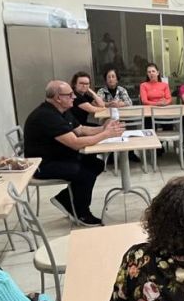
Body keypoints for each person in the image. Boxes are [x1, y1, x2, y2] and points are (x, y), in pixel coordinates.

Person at [24, 80, 124, 226]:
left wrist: (104, 128)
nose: (74, 97)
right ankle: (82, 212)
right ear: (58, 98)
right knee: (85, 173)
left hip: (59, 156)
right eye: (70, 95)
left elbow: (81, 130)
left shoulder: (62, 110)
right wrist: (106, 134)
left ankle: (65, 199)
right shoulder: (47, 116)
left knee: (96, 164)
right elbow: (75, 143)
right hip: (42, 165)